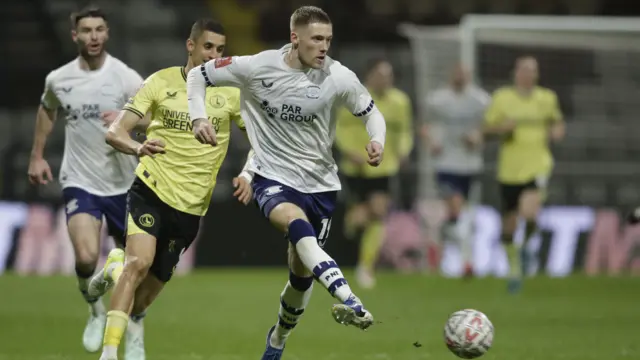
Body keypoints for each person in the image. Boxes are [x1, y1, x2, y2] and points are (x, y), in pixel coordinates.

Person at [186, 6, 386, 360]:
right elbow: (197, 76)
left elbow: (372, 113)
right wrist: (198, 117)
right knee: (297, 226)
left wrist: (377, 141)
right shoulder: (256, 66)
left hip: (321, 184)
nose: (324, 47)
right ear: (295, 38)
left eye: (328, 39)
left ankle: (278, 337)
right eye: (316, 39)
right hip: (272, 177)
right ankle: (350, 298)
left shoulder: (337, 76)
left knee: (300, 274)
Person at [88, 19, 251, 360]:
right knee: (139, 263)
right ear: (190, 46)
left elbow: (261, 141)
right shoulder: (160, 82)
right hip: (151, 188)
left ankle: (114, 269)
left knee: (143, 298)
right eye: (208, 47)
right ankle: (108, 353)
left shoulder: (231, 92)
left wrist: (250, 173)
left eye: (220, 50)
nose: (214, 55)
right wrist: (137, 148)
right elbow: (116, 132)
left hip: (191, 208)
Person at [26, 6, 145, 355]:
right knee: (85, 257)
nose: (93, 36)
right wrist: (36, 155)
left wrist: (128, 120)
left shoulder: (127, 79)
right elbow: (47, 109)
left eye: (99, 30)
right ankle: (95, 310)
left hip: (125, 184)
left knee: (136, 269)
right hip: (80, 180)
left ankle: (135, 334)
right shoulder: (59, 79)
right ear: (74, 35)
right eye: (86, 30)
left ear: (107, 33)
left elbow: (155, 120)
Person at [483, 56, 565, 293]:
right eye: (523, 70)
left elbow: (558, 123)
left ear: (537, 74)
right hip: (509, 170)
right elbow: (486, 128)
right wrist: (502, 128)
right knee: (508, 227)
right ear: (515, 73)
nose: (527, 74)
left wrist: (557, 131)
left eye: (532, 70)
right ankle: (515, 269)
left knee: (529, 213)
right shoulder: (502, 98)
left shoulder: (547, 99)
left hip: (537, 165)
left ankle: (528, 246)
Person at [335, 58, 413, 289]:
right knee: (360, 217)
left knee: (379, 213)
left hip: (384, 165)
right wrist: (350, 152)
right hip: (356, 167)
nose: (384, 80)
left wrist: (403, 151)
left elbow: (405, 131)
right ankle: (352, 223)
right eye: (380, 75)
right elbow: (337, 128)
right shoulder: (353, 97)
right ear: (369, 77)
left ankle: (366, 267)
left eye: (388, 76)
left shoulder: (400, 102)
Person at [423, 64, 490, 278]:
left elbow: (488, 126)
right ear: (451, 75)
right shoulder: (437, 100)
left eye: (464, 74)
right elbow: (423, 126)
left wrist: (479, 136)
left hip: (470, 164)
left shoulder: (480, 100)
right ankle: (466, 262)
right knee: (456, 207)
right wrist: (431, 140)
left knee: (460, 215)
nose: (460, 77)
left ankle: (441, 243)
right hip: (445, 163)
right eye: (457, 73)